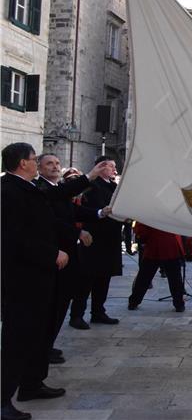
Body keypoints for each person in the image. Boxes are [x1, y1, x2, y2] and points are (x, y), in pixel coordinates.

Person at [2, 143, 69, 420]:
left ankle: (30, 384)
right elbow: (14, 239)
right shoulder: (9, 192)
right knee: (17, 339)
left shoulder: (27, 189)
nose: (37, 162)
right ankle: (3, 399)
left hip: (38, 277)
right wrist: (51, 252)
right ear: (23, 163)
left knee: (36, 335)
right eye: (33, 159)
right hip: (23, 280)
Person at [35, 154, 113, 363]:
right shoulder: (40, 189)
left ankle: (47, 345)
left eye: (57, 163)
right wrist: (76, 233)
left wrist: (99, 213)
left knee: (61, 301)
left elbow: (73, 210)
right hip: (53, 255)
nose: (55, 167)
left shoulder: (55, 188)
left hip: (67, 255)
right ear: (38, 168)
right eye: (49, 163)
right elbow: (52, 220)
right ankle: (43, 347)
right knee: (52, 304)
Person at [70, 155, 123, 329]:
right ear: (100, 167)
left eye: (114, 167)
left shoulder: (114, 186)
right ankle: (76, 315)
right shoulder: (91, 186)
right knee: (86, 279)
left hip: (111, 238)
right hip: (93, 239)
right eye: (110, 166)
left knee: (104, 277)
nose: (114, 170)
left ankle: (98, 312)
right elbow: (84, 209)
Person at [127, 223, 185, 311]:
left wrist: (143, 238)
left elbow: (141, 228)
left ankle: (134, 301)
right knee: (174, 277)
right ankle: (179, 304)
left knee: (144, 276)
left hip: (154, 243)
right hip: (168, 243)